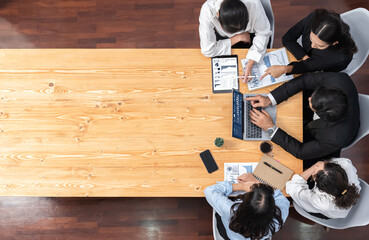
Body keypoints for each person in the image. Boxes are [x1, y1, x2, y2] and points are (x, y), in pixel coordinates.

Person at [245, 72, 360, 169]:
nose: (309, 98)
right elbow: (304, 80)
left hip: (321, 138)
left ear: (320, 115)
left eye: (312, 103)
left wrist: (270, 128)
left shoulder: (335, 138)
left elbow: (301, 152)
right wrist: (270, 98)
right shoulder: (339, 79)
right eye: (313, 96)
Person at [260, 9, 357, 80]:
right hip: (310, 62)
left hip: (325, 71)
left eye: (320, 46)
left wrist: (285, 69)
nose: (312, 46)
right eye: (311, 39)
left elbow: (311, 67)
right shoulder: (315, 18)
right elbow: (288, 38)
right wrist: (305, 58)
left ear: (334, 43)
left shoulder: (339, 57)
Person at [199, 0, 271, 80]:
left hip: (249, 37)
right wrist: (238, 37)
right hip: (225, 38)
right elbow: (208, 50)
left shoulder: (253, 3)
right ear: (218, 15)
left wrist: (251, 62)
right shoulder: (208, 9)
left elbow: (263, 33)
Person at [204, 173, 289, 240]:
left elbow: (209, 191)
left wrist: (242, 186)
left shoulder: (230, 210)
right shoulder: (278, 218)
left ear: (244, 204)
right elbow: (282, 199)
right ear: (272, 207)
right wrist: (257, 183)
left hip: (230, 235)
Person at [286, 158, 361, 219]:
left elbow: (292, 187)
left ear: (320, 187)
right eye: (324, 165)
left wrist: (314, 166)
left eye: (315, 174)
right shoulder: (345, 165)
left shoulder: (323, 203)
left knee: (293, 198)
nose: (319, 165)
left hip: (329, 211)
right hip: (347, 199)